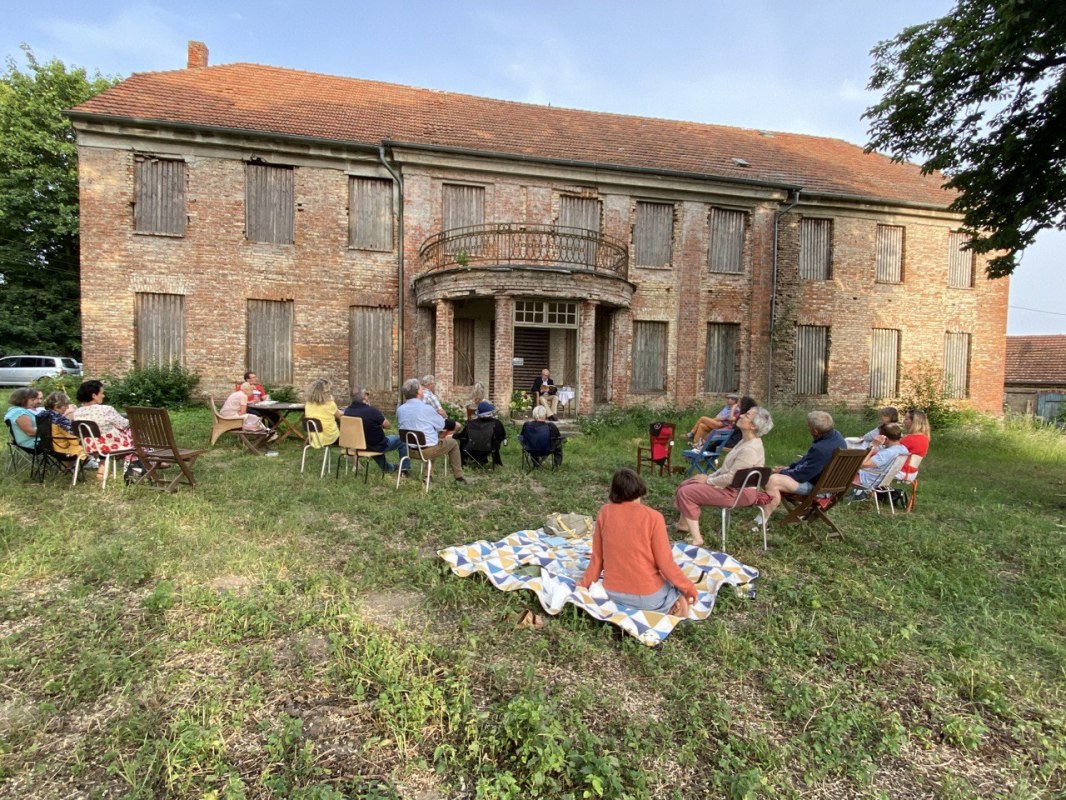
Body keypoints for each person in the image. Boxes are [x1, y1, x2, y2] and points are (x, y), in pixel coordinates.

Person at [578, 468, 698, 617]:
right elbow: (665, 563)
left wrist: (583, 585)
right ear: (640, 488)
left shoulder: (604, 512)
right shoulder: (654, 517)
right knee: (674, 588)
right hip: (649, 596)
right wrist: (688, 588)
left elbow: (597, 558)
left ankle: (667, 605)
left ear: (614, 491)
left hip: (614, 593)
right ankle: (671, 605)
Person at [674, 406, 774, 547]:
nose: (741, 416)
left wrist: (708, 481)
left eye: (746, 415)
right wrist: (708, 477)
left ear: (753, 425)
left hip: (738, 493)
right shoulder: (745, 441)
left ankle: (697, 539)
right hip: (733, 487)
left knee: (687, 493)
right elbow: (725, 468)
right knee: (689, 482)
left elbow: (732, 478)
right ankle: (683, 524)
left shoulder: (750, 449)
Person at [759, 410, 847, 526]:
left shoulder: (821, 449)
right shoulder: (836, 437)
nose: (808, 428)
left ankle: (759, 522)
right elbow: (808, 459)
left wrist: (783, 472)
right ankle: (765, 512)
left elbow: (800, 476)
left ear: (815, 431)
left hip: (819, 490)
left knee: (773, 480)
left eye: (809, 427)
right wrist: (790, 467)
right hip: (830, 486)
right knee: (775, 478)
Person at [397, 378, 467, 483]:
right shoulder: (426, 409)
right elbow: (441, 425)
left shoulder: (400, 409)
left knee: (432, 440)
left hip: (409, 451)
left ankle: (428, 476)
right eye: (421, 388)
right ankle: (459, 477)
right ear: (419, 392)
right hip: (426, 452)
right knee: (451, 443)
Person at [343, 386, 408, 473]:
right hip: (376, 446)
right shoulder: (371, 411)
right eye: (367, 394)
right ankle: (404, 469)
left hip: (358, 447)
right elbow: (387, 425)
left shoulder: (347, 412)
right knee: (402, 440)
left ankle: (389, 468)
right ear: (365, 397)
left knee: (374, 444)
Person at [72, 380, 137, 456]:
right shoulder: (106, 409)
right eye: (101, 393)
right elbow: (124, 424)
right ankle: (137, 464)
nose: (103, 396)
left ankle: (103, 465)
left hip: (89, 446)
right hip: (109, 445)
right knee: (134, 432)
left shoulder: (77, 412)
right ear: (94, 396)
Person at [847, 422, 908, 500]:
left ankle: (829, 493)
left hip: (867, 481)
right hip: (882, 481)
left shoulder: (887, 453)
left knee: (840, 465)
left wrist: (873, 446)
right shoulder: (903, 449)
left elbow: (862, 464)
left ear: (884, 437)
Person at [39, 391, 88, 463]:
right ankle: (81, 465)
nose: (68, 407)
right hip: (62, 450)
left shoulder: (42, 415)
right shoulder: (60, 421)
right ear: (56, 406)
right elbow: (73, 438)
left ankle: (69, 468)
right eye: (65, 405)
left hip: (48, 448)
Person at [455, 400, 507, 466]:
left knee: (463, 439)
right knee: (496, 441)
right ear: (490, 412)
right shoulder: (496, 423)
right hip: (490, 449)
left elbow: (462, 435)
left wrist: (452, 435)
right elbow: (502, 436)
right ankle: (496, 461)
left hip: (471, 449)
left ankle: (462, 462)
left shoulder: (471, 423)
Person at [303, 377, 341, 447]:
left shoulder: (308, 403)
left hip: (315, 437)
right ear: (326, 392)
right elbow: (340, 417)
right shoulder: (330, 404)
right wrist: (332, 401)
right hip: (330, 437)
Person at [899, 409, 931, 482]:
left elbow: (891, 452)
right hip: (912, 472)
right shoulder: (924, 438)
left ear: (914, 422)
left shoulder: (910, 439)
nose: (904, 421)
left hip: (902, 471)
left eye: (906, 419)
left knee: (869, 467)